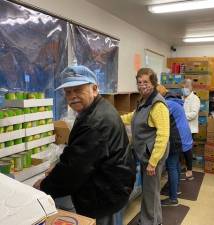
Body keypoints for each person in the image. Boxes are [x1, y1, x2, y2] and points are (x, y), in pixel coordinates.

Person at [33, 65, 136, 225]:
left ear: (94, 89)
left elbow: (75, 169)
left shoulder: (95, 122)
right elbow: (79, 152)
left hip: (103, 194)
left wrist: (44, 186)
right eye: (68, 92)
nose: (72, 96)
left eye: (78, 90)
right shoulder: (96, 109)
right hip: (111, 188)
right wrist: (59, 165)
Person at [121, 68, 169, 225]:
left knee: (150, 193)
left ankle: (151, 222)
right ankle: (150, 220)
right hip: (145, 154)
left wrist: (153, 162)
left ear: (154, 83)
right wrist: (115, 118)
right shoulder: (143, 101)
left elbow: (163, 135)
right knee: (149, 192)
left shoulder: (157, 104)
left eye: (146, 82)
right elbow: (133, 117)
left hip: (152, 156)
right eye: (139, 82)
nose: (142, 85)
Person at [157, 85, 193, 207]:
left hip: (177, 138)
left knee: (171, 166)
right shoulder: (174, 101)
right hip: (182, 136)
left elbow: (156, 119)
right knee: (176, 164)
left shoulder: (167, 104)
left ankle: (173, 198)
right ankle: (176, 189)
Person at [182, 79, 200, 180]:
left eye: (187, 86)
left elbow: (193, 114)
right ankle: (183, 167)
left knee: (187, 150)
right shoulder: (182, 98)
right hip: (182, 128)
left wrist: (180, 116)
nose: (185, 88)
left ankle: (189, 170)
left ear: (192, 87)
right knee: (182, 150)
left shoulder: (195, 98)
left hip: (190, 128)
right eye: (184, 86)